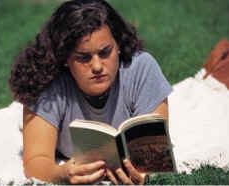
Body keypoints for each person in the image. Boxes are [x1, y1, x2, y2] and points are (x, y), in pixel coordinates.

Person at [9, 0, 172, 184]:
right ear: (64, 58)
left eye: (105, 52)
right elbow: (35, 162)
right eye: (83, 58)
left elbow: (156, 153)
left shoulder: (141, 68)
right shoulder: (47, 81)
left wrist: (145, 174)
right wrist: (62, 174)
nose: (97, 66)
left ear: (118, 44)